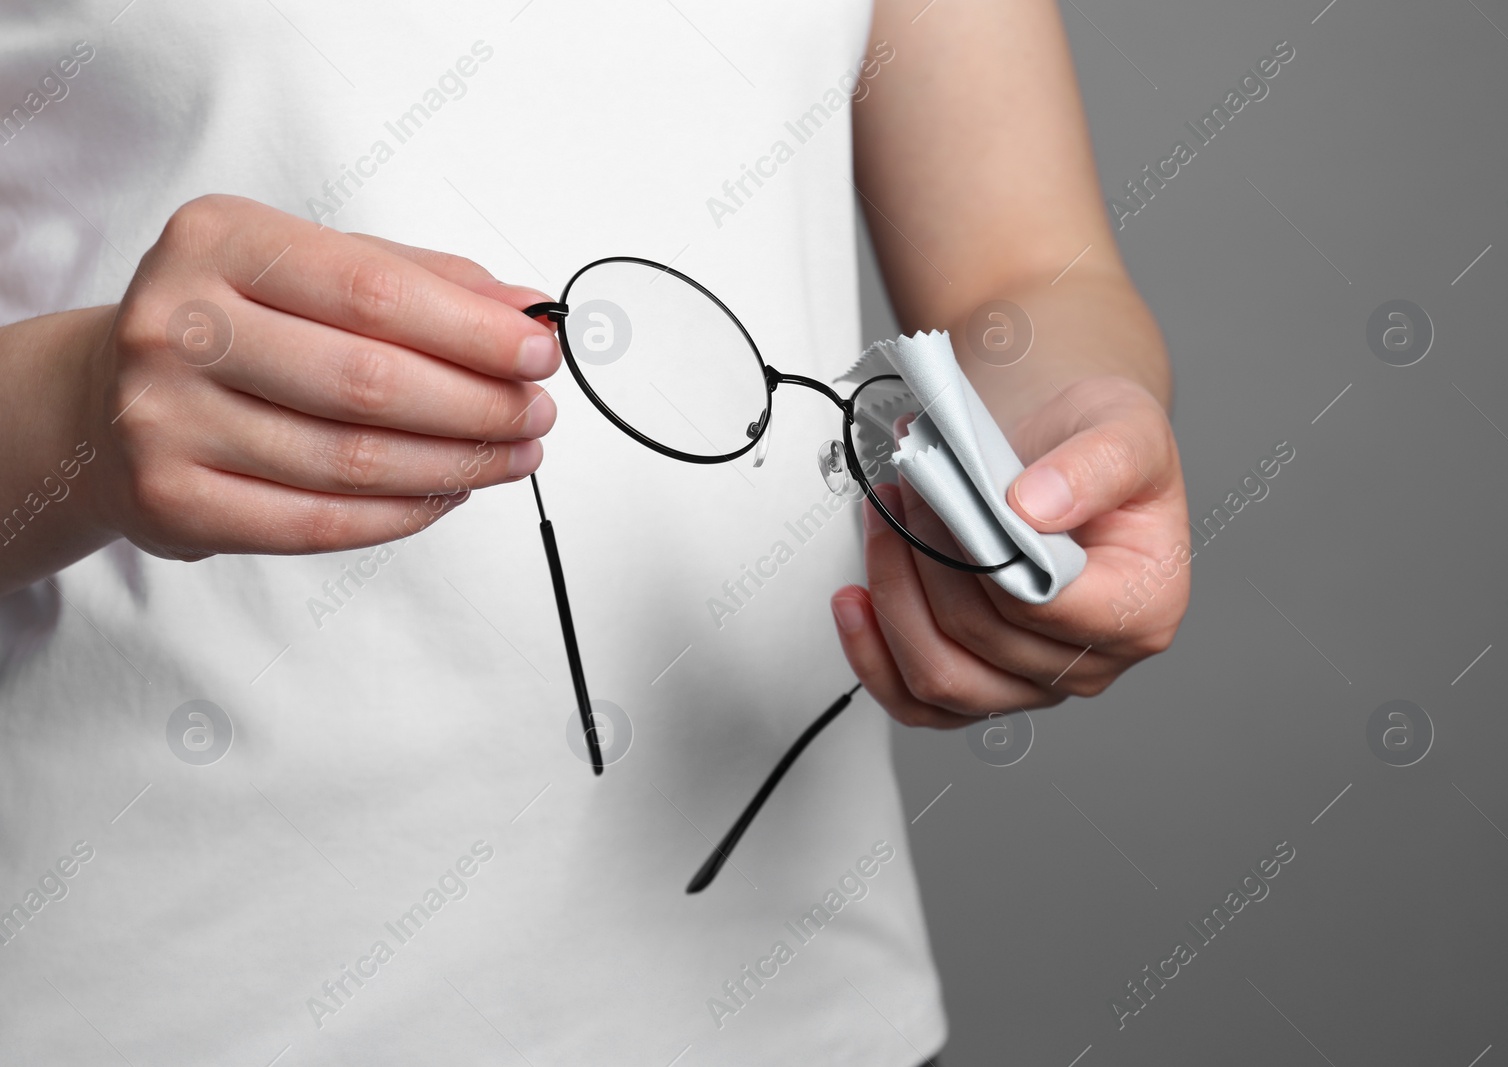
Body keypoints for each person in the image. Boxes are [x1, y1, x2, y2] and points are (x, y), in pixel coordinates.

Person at [0, 1, 1187, 1063]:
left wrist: (1050, 466)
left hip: (791, 1005)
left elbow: (1022, 274)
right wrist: (74, 408)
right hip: (158, 1003)